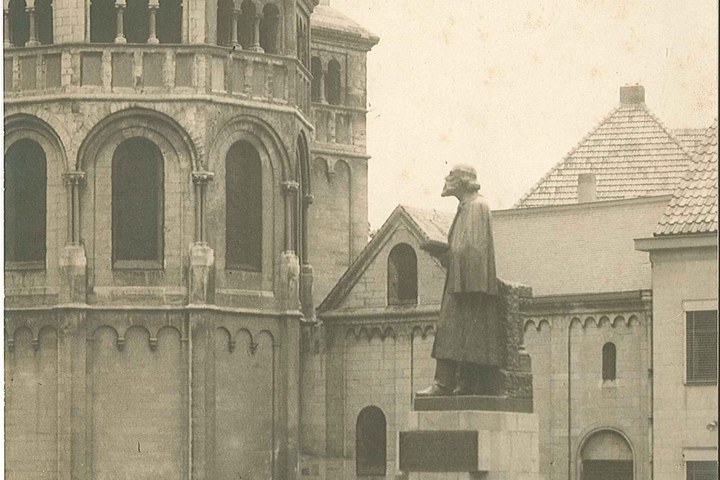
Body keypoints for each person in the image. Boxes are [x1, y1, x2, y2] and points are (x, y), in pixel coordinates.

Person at [416, 164, 503, 396]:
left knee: (458, 333)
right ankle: (449, 382)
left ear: (464, 181)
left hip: (469, 287)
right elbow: (464, 248)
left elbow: (472, 250)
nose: (446, 178)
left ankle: (452, 383)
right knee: (450, 332)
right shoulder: (466, 207)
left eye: (451, 175)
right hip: (460, 282)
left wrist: (446, 252)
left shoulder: (477, 207)